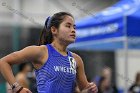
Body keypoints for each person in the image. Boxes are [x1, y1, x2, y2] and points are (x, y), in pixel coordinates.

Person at [0, 12, 98, 93]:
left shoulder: (76, 59)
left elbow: (84, 89)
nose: (73, 30)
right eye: (68, 26)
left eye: (74, 27)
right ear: (54, 30)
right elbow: (3, 62)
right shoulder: (41, 52)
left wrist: (91, 89)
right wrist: (17, 88)